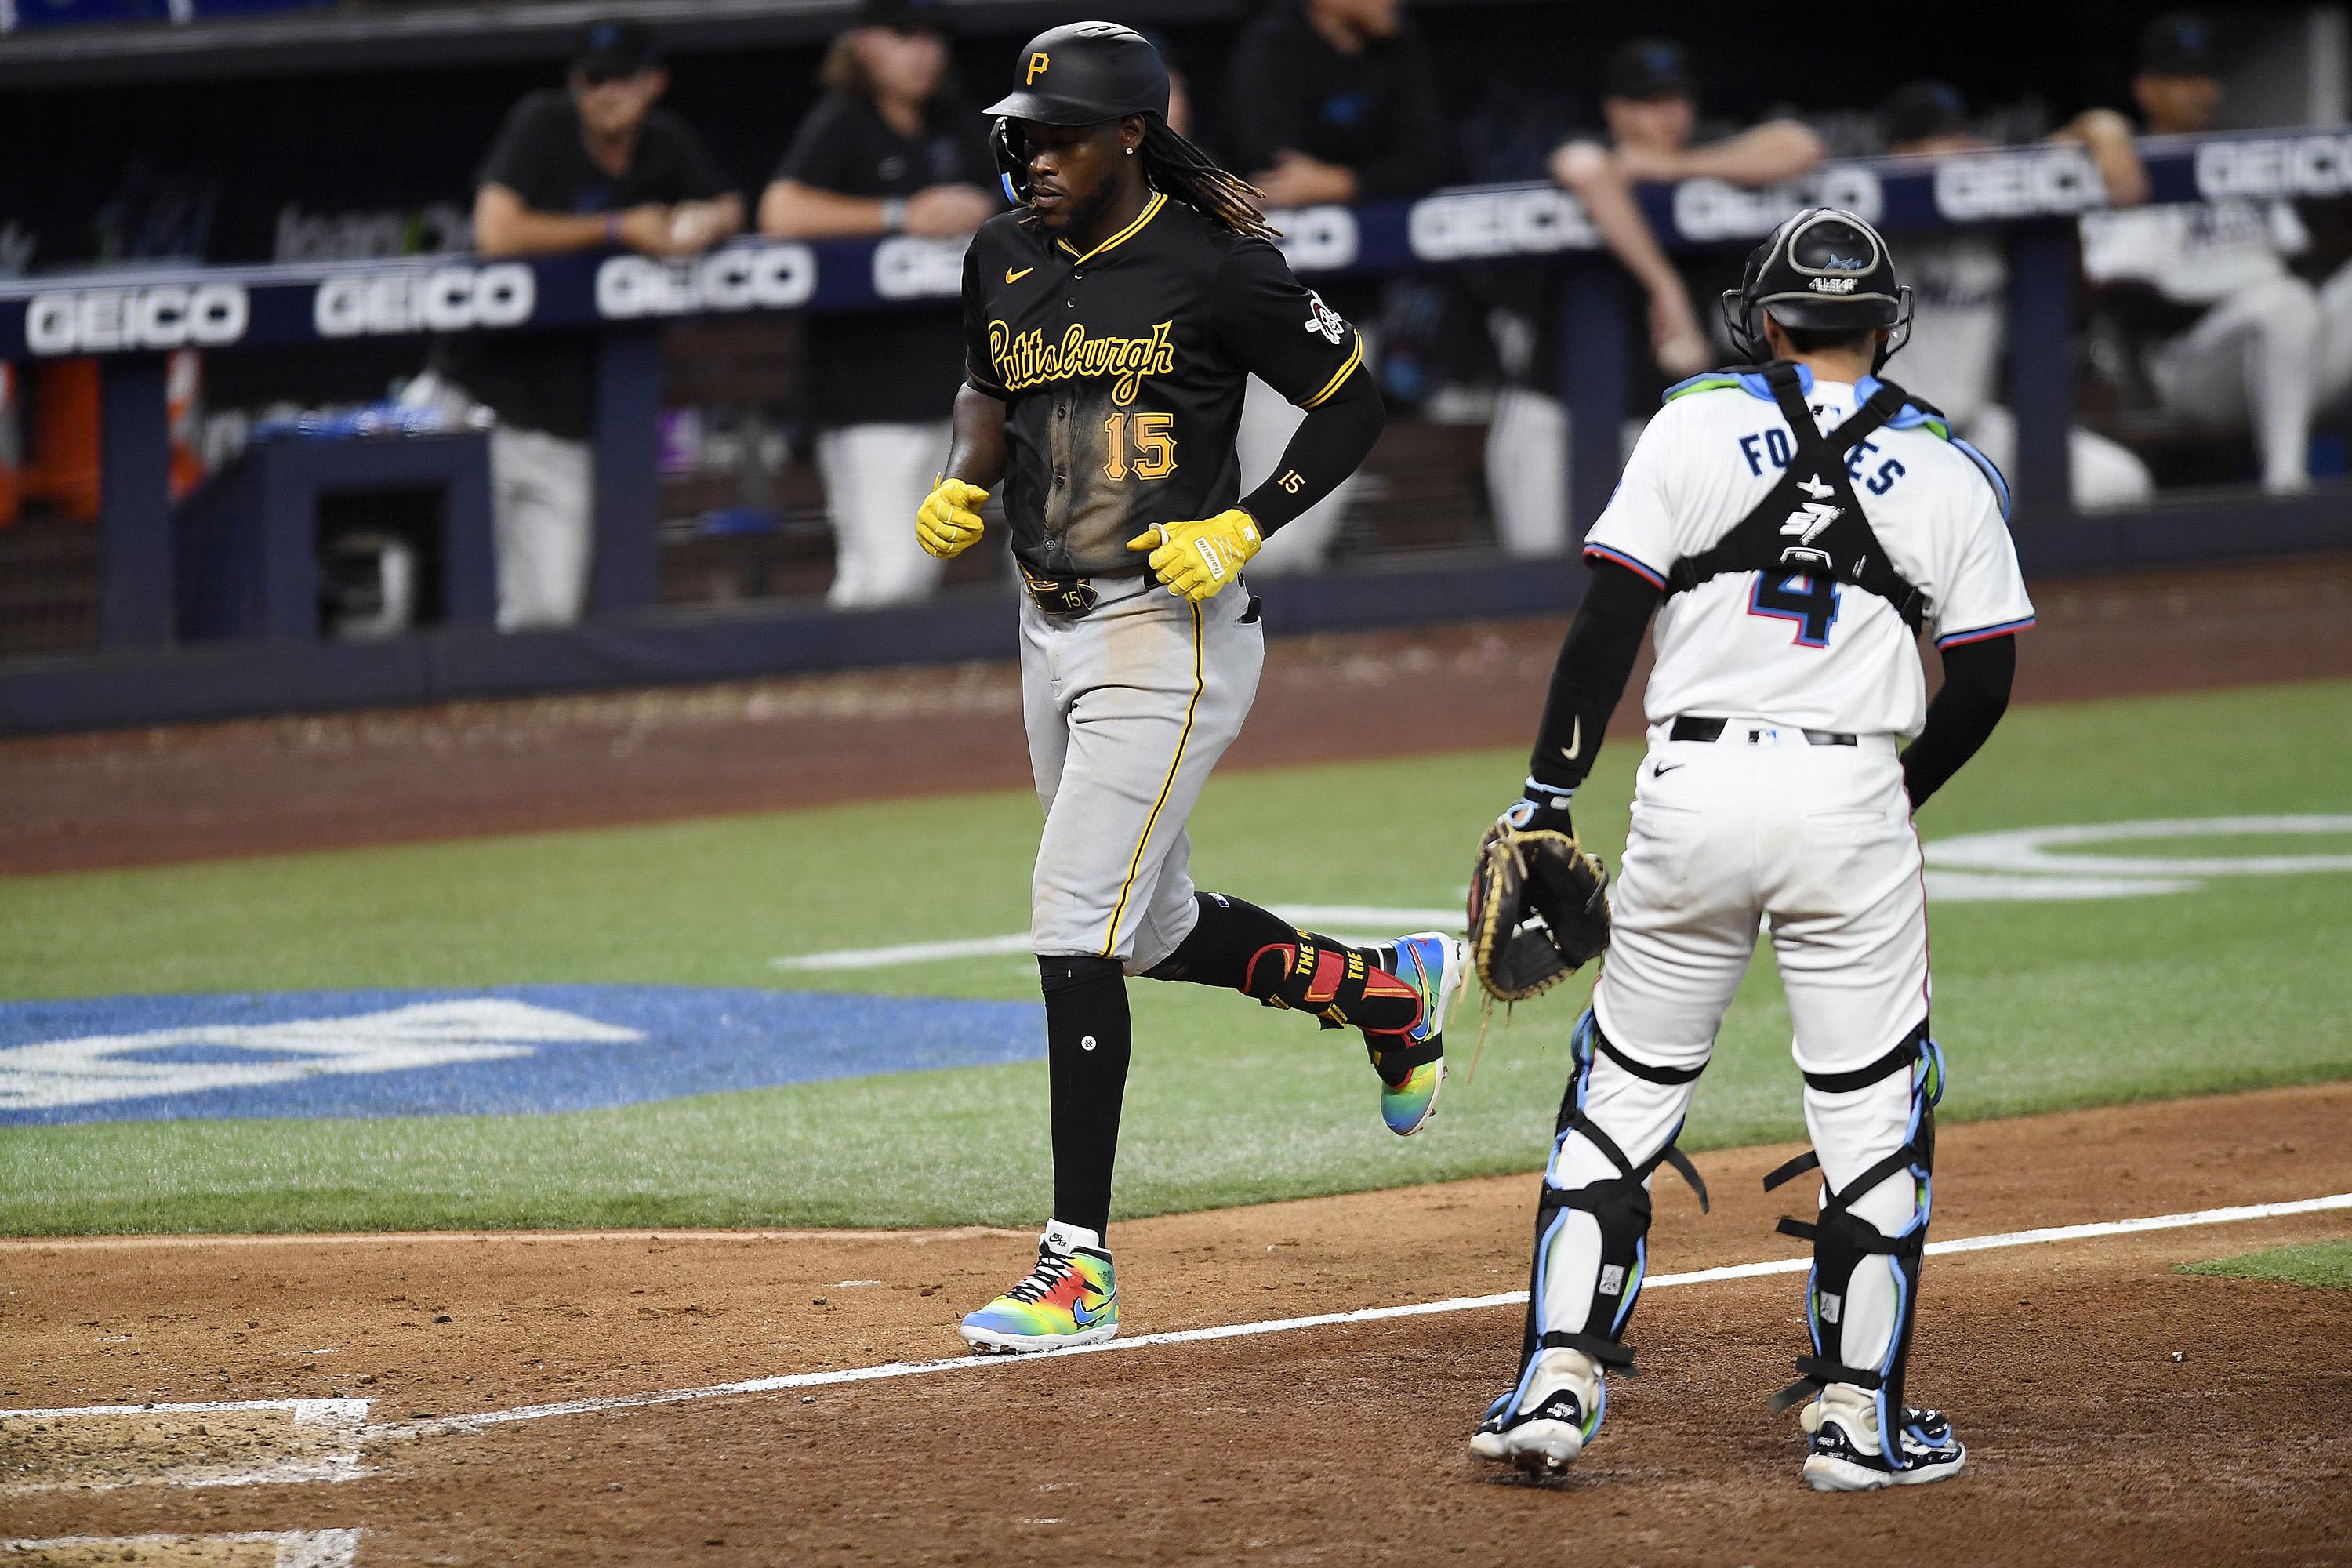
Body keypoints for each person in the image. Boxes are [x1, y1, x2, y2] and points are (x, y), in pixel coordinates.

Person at [916, 22, 1466, 1355]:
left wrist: (1251, 521)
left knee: (1070, 925)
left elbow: (1350, 404)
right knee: (1145, 927)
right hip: (1047, 624)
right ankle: (1382, 992)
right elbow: (986, 388)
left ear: (1128, 138)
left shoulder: (1222, 267)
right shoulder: (1000, 252)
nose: (1030, 153)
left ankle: (1077, 1268)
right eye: (1021, 132)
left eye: (1057, 136)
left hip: (1174, 629)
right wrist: (965, 478)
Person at [1466, 209, 2031, 1490]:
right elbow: (1987, 678)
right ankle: (1854, 1424)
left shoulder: (1694, 422)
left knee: (1623, 1089)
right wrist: (1894, 796)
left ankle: (1553, 1382)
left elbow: (1609, 617)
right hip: (1849, 800)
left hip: (1689, 788)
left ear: (1763, 320)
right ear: (1887, 331)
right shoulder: (1951, 468)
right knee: (1873, 1111)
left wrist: (1549, 794)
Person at [425, 20, 742, 630]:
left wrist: (704, 222)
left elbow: (730, 202)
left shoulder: (664, 145)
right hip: (473, 405)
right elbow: (497, 230)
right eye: (593, 80)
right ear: (576, 85)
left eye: (622, 78)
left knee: (547, 615)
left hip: (564, 424)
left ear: (653, 83)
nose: (607, 93)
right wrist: (620, 229)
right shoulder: (543, 123)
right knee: (454, 609)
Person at [1497, 38, 1826, 557]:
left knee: (1660, 597)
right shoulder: (1597, 153)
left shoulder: (1705, 157)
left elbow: (1801, 145)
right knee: (1541, 588)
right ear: (1616, 111)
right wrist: (1665, 287)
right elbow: (1582, 167)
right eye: (1650, 102)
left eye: (1677, 100)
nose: (1670, 115)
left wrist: (1674, 168)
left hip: (1659, 427)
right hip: (1556, 417)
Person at [758, 0, 1001, 610]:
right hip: (864, 391)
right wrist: (901, 216)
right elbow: (780, 212)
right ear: (864, 44)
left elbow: (1015, 199)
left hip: (956, 383)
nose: (921, 53)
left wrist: (981, 210)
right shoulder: (842, 121)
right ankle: (826, 695)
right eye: (902, 37)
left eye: (930, 38)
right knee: (888, 574)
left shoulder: (953, 121)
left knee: (910, 575)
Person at [1218, 0, 1450, 575]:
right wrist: (1370, 180)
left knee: (1311, 520)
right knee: (1273, 533)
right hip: (1272, 321)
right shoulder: (1273, 44)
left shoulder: (1399, 45)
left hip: (1353, 310)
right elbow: (1271, 173)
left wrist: (1343, 181)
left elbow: (1433, 156)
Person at [2074, 13, 2344, 494]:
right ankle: (2287, 485)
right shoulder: (2129, 169)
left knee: (2294, 303)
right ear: (2146, 91)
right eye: (2181, 77)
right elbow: (2124, 297)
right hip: (2192, 367)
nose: (2200, 89)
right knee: (2282, 303)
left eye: (2207, 75)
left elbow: (2305, 261)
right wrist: (2252, 299)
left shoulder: (2241, 161)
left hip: (2285, 348)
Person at [1879, 81, 2154, 510]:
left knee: (2122, 482)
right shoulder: (1869, 230)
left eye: (1959, 136)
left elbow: (2093, 163)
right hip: (1888, 435)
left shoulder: (1994, 209)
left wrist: (2105, 128)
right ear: (1898, 153)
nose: (1957, 150)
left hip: (1974, 428)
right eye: (1937, 140)